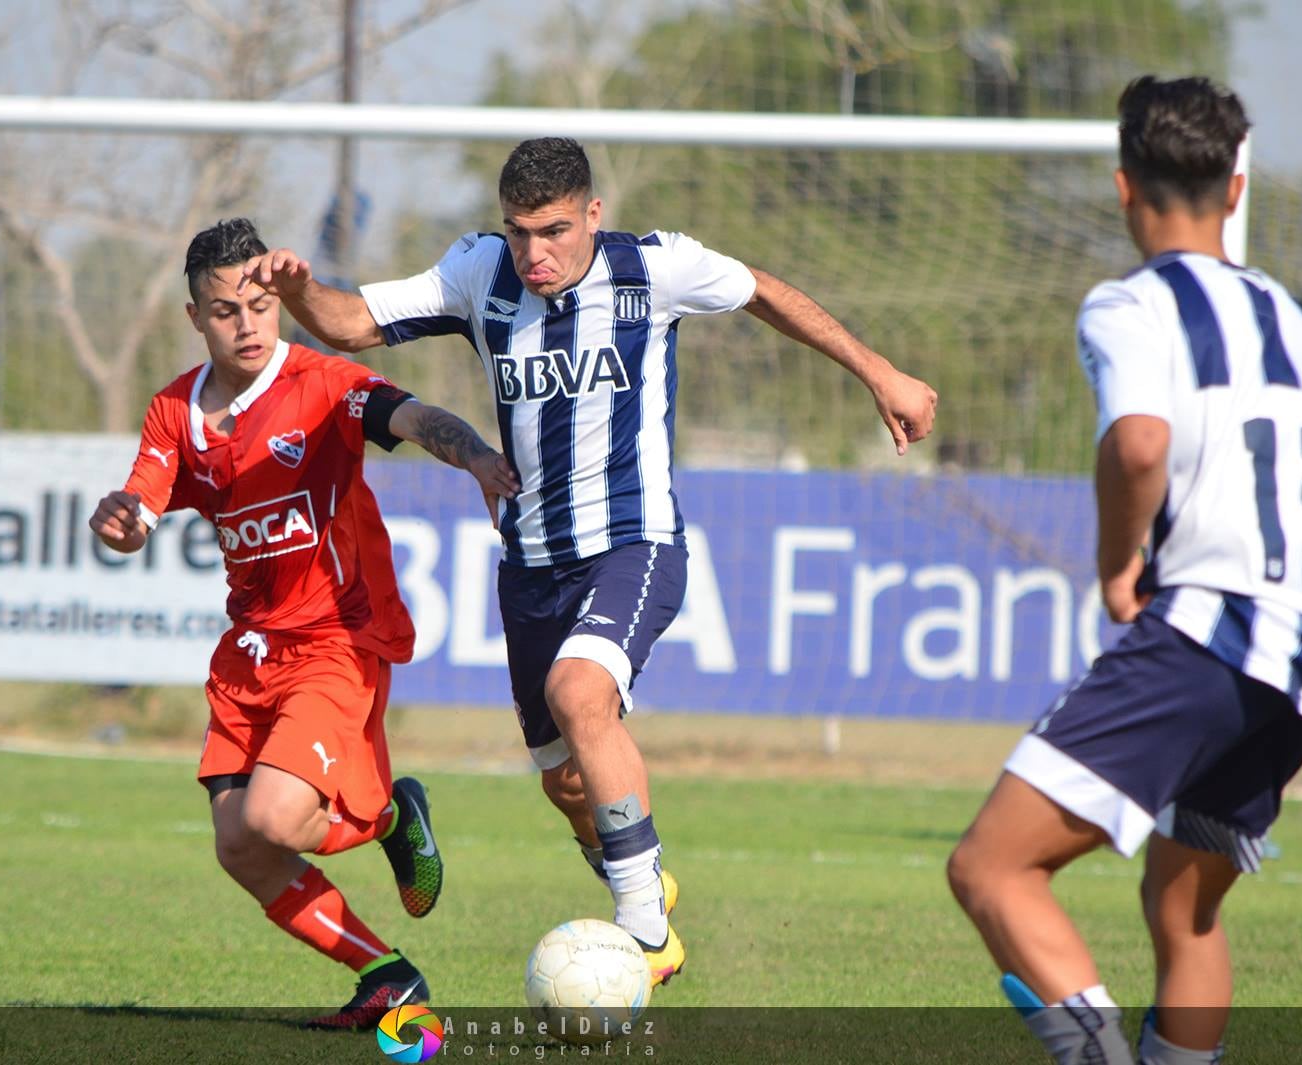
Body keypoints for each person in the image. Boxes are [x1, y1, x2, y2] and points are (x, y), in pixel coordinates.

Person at [240, 137, 938, 985]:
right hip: (531, 564)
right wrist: (301, 290)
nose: (535, 253)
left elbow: (765, 294)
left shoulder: (655, 269)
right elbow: (351, 323)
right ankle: (638, 876)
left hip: (633, 542)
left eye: (555, 231)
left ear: (594, 215)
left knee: (581, 693)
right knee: (564, 783)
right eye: (519, 232)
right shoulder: (478, 274)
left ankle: (645, 934)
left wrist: (880, 372)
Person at [947, 76, 1302, 1064]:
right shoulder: (1297, 318)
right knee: (1184, 909)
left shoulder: (1130, 304)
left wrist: (1118, 568)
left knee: (993, 870)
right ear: (1233, 193)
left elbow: (1140, 446)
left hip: (1206, 630)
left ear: (1123, 188)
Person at [88, 218, 518, 1029]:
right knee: (240, 845)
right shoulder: (174, 410)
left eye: (258, 303)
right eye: (224, 310)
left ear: (278, 300)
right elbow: (140, 500)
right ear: (195, 317)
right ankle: (388, 976)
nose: (246, 323)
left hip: (338, 637)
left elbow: (412, 415)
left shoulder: (322, 383)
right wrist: (122, 522)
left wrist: (475, 459)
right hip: (251, 651)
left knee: (274, 818)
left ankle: (390, 813)